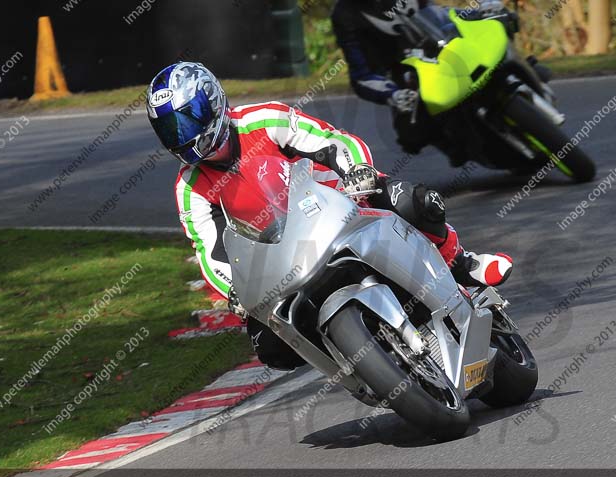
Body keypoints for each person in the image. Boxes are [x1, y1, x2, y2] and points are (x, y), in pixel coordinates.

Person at [146, 62, 514, 370]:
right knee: (269, 346)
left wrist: (355, 171)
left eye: (186, 120)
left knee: (414, 202)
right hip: (282, 256)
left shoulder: (262, 119)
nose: (183, 135)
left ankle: (461, 262)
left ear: (211, 103)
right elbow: (211, 253)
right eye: (170, 130)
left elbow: (332, 142)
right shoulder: (190, 188)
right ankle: (355, 360)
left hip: (342, 201)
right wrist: (233, 291)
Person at [331, 0, 512, 162]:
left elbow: (440, 12)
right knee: (411, 132)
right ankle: (458, 146)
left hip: (447, 36)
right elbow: (361, 75)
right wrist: (394, 95)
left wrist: (480, 8)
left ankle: (521, 69)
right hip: (408, 70)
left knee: (502, 19)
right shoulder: (344, 15)